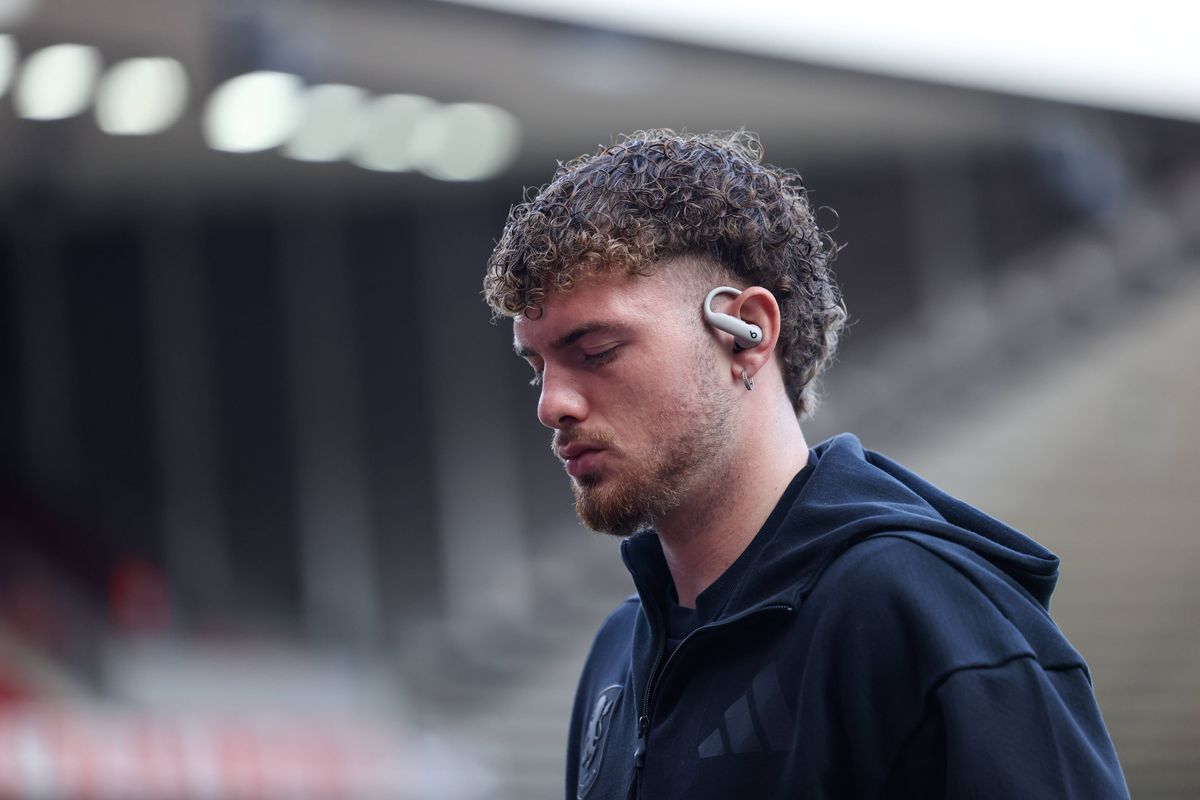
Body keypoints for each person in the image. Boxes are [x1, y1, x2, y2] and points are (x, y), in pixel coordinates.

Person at [482, 130, 1128, 799]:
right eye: (538, 369)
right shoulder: (618, 655)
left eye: (597, 351)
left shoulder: (926, 613)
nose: (552, 405)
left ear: (746, 334)